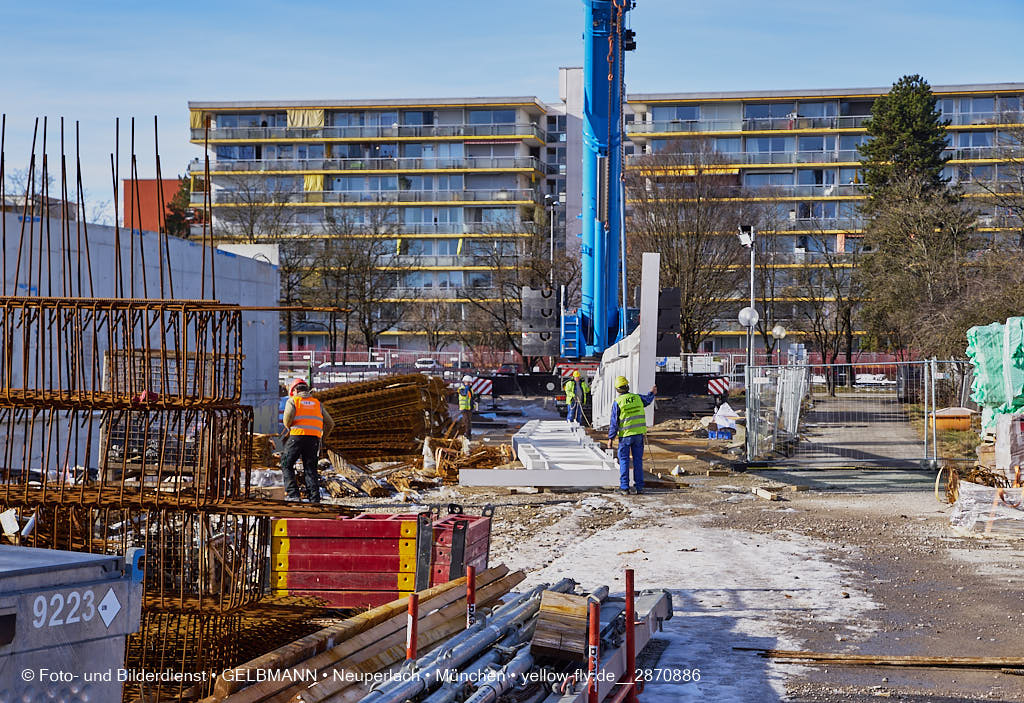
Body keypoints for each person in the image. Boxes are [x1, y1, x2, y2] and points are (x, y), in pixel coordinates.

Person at [281, 378, 335, 503]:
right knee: (310, 468)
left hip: (297, 437)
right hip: (313, 440)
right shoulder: (317, 403)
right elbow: (330, 424)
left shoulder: (293, 401)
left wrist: (290, 428)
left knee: (286, 463)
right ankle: (314, 499)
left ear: (294, 390)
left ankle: (293, 495)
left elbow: (287, 421)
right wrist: (322, 438)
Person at [607, 375, 656, 495]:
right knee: (637, 461)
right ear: (627, 386)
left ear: (617, 390)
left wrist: (610, 438)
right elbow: (648, 400)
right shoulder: (637, 398)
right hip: (639, 435)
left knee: (624, 460)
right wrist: (652, 392)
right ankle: (639, 487)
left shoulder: (618, 402)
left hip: (626, 436)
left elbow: (614, 422)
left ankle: (624, 487)